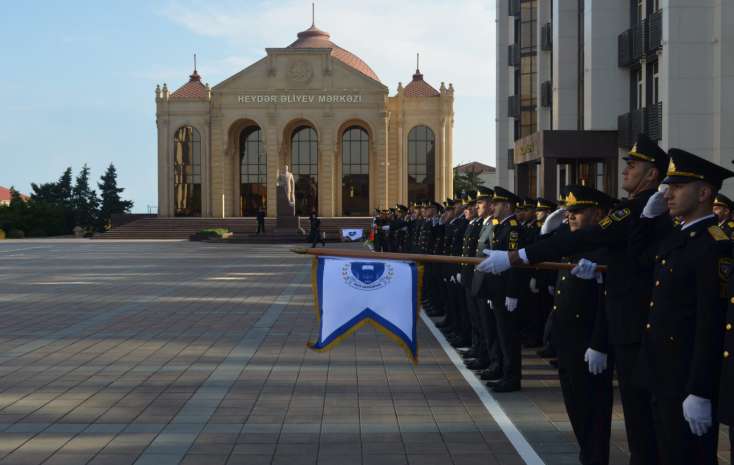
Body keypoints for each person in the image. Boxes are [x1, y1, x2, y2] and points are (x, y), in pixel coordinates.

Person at [479, 133, 669, 463]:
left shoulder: (640, 210)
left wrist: (517, 256)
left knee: (644, 425)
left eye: (634, 166)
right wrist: (604, 267)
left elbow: (588, 238)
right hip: (625, 326)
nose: (626, 171)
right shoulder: (636, 210)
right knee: (639, 425)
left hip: (636, 327)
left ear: (652, 174)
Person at [634, 148, 733, 465]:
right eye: (668, 185)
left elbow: (711, 322)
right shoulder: (678, 236)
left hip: (686, 377)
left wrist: (701, 389)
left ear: (704, 192)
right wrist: (648, 219)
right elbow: (636, 259)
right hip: (663, 372)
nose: (668, 193)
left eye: (677, 187)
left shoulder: (715, 245)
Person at [550, 185, 614, 465]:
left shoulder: (604, 248)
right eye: (569, 212)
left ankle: (595, 458)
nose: (571, 217)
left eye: (577, 212)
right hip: (568, 338)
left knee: (594, 408)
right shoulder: (573, 241)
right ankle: (587, 454)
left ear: (597, 213)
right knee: (575, 405)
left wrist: (599, 342)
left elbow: (608, 302)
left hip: (589, 340)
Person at [483, 186, 525, 393]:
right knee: (501, 333)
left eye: (497, 203)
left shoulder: (513, 229)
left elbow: (514, 263)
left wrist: (512, 292)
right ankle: (502, 370)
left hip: (506, 290)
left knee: (509, 336)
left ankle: (512, 377)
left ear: (507, 205)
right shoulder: (501, 227)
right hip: (498, 289)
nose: (493, 207)